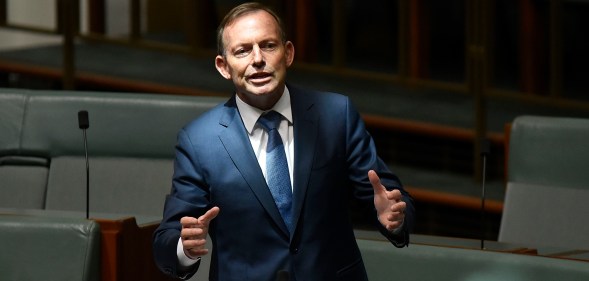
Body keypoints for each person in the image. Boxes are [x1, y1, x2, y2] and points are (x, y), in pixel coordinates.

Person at [153, 2, 415, 280]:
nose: (257, 59)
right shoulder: (199, 140)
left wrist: (396, 218)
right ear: (223, 66)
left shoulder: (336, 115)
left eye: (268, 46)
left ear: (288, 53)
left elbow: (392, 199)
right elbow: (166, 240)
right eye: (242, 50)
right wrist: (185, 247)